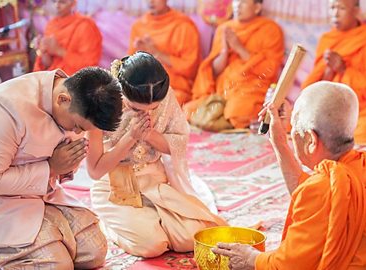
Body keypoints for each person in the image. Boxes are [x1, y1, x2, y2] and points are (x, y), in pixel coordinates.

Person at [212, 81, 366, 269]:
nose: (291, 133)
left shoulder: (323, 188)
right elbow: (316, 201)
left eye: (294, 128)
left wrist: (251, 258)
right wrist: (279, 143)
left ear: (311, 140)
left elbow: (287, 266)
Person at [0, 67, 123, 269]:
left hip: (41, 197)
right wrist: (51, 168)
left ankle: (6, 255)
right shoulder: (5, 105)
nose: (77, 132)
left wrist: (66, 165)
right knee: (57, 266)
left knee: (94, 252)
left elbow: (61, 167)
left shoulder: (78, 101)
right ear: (63, 99)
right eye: (77, 126)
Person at [87, 52, 227, 258]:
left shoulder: (162, 95)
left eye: (154, 108)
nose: (146, 113)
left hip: (155, 181)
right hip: (115, 186)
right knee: (152, 245)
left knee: (193, 237)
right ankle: (110, 225)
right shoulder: (100, 103)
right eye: (136, 108)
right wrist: (131, 137)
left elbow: (177, 144)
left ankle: (150, 221)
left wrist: (150, 134)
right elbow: (95, 170)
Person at [301, 0, 366, 145]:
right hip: (330, 109)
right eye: (332, 8)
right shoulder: (327, 39)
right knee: (301, 123)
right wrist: (328, 71)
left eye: (341, 8)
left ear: (356, 11)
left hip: (362, 110)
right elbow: (313, 86)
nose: (335, 14)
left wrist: (343, 70)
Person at [184, 0, 284, 130]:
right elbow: (214, 71)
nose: (237, 5)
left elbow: (270, 70)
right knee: (188, 110)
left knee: (238, 112)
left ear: (257, 7)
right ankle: (220, 117)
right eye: (236, 1)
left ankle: (221, 117)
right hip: (222, 90)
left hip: (251, 88)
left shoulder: (270, 29)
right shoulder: (224, 29)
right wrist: (225, 51)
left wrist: (239, 48)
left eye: (243, 2)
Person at [128, 0, 201, 105]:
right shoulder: (138, 26)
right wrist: (140, 55)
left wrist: (157, 53)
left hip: (174, 87)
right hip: (143, 86)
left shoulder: (183, 26)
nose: (150, 1)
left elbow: (191, 68)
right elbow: (129, 68)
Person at [33, 0, 102, 75]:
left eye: (62, 2)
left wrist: (59, 50)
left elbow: (89, 65)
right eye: (54, 1)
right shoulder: (51, 25)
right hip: (53, 78)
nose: (57, 5)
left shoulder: (85, 26)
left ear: (73, 3)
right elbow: (48, 65)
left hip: (76, 81)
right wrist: (43, 51)